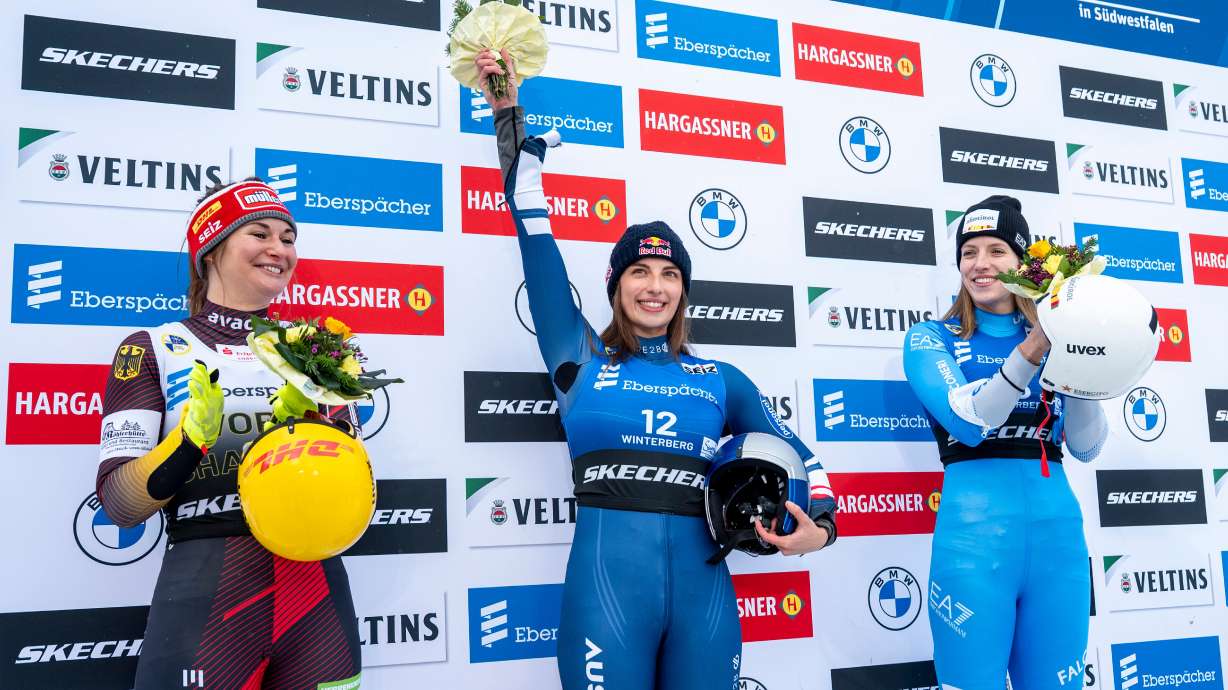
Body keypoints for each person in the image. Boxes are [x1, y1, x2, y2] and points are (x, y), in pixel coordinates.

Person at [475, 50, 839, 690]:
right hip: (606, 599)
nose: (655, 286)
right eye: (639, 272)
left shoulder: (720, 380)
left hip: (706, 605)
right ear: (616, 286)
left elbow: (803, 457)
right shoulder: (580, 358)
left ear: (683, 292)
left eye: (670, 274)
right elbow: (535, 241)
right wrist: (507, 114)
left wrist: (824, 529)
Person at [95, 179, 364, 690]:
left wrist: (323, 429)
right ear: (211, 250)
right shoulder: (153, 348)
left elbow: (357, 488)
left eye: (288, 238)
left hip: (318, 600)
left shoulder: (316, 350)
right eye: (259, 234)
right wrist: (188, 443)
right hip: (206, 597)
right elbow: (118, 505)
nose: (279, 249)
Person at [903, 196, 1107, 690]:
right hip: (972, 545)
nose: (980, 264)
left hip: (1059, 543)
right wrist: (1034, 348)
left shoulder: (1057, 336)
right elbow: (968, 422)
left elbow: (1085, 446)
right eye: (968, 252)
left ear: (1022, 265)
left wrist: (1079, 361)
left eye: (997, 251)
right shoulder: (932, 337)